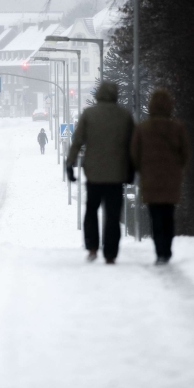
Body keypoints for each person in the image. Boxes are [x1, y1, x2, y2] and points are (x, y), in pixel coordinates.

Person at [66, 81, 135, 264]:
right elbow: (133, 146)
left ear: (98, 95)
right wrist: (132, 169)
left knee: (91, 210)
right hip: (116, 174)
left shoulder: (89, 114)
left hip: (94, 174)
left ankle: (92, 248)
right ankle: (111, 254)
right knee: (113, 215)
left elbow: (77, 141)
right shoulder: (124, 115)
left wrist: (70, 164)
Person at [131, 88, 190, 265]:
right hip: (171, 179)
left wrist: (142, 168)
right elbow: (185, 153)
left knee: (155, 216)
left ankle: (160, 252)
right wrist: (177, 167)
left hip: (150, 179)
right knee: (168, 215)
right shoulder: (177, 128)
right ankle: (168, 250)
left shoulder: (143, 128)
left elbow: (134, 153)